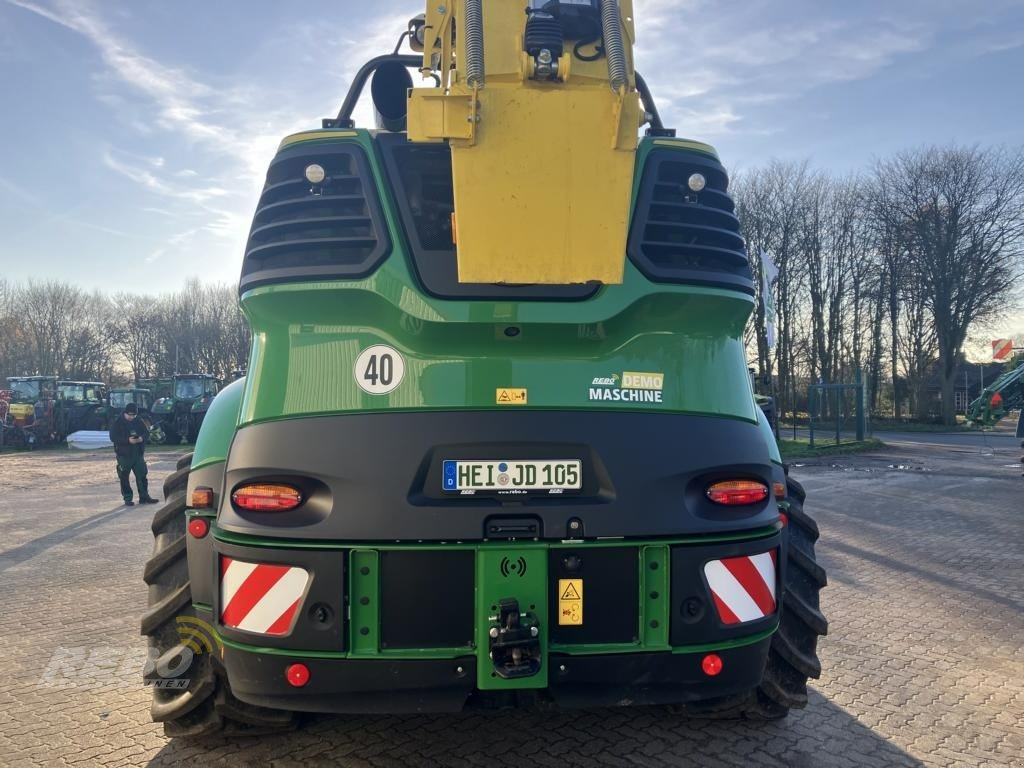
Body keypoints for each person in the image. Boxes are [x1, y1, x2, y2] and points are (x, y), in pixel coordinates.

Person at [109, 402, 157, 506]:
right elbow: (113, 437)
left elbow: (146, 433)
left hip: (137, 453)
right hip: (124, 455)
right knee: (124, 477)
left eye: (134, 415)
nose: (131, 417)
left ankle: (144, 497)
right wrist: (127, 440)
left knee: (142, 475)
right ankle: (127, 498)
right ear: (125, 413)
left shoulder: (138, 421)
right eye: (129, 415)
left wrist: (141, 438)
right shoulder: (117, 422)